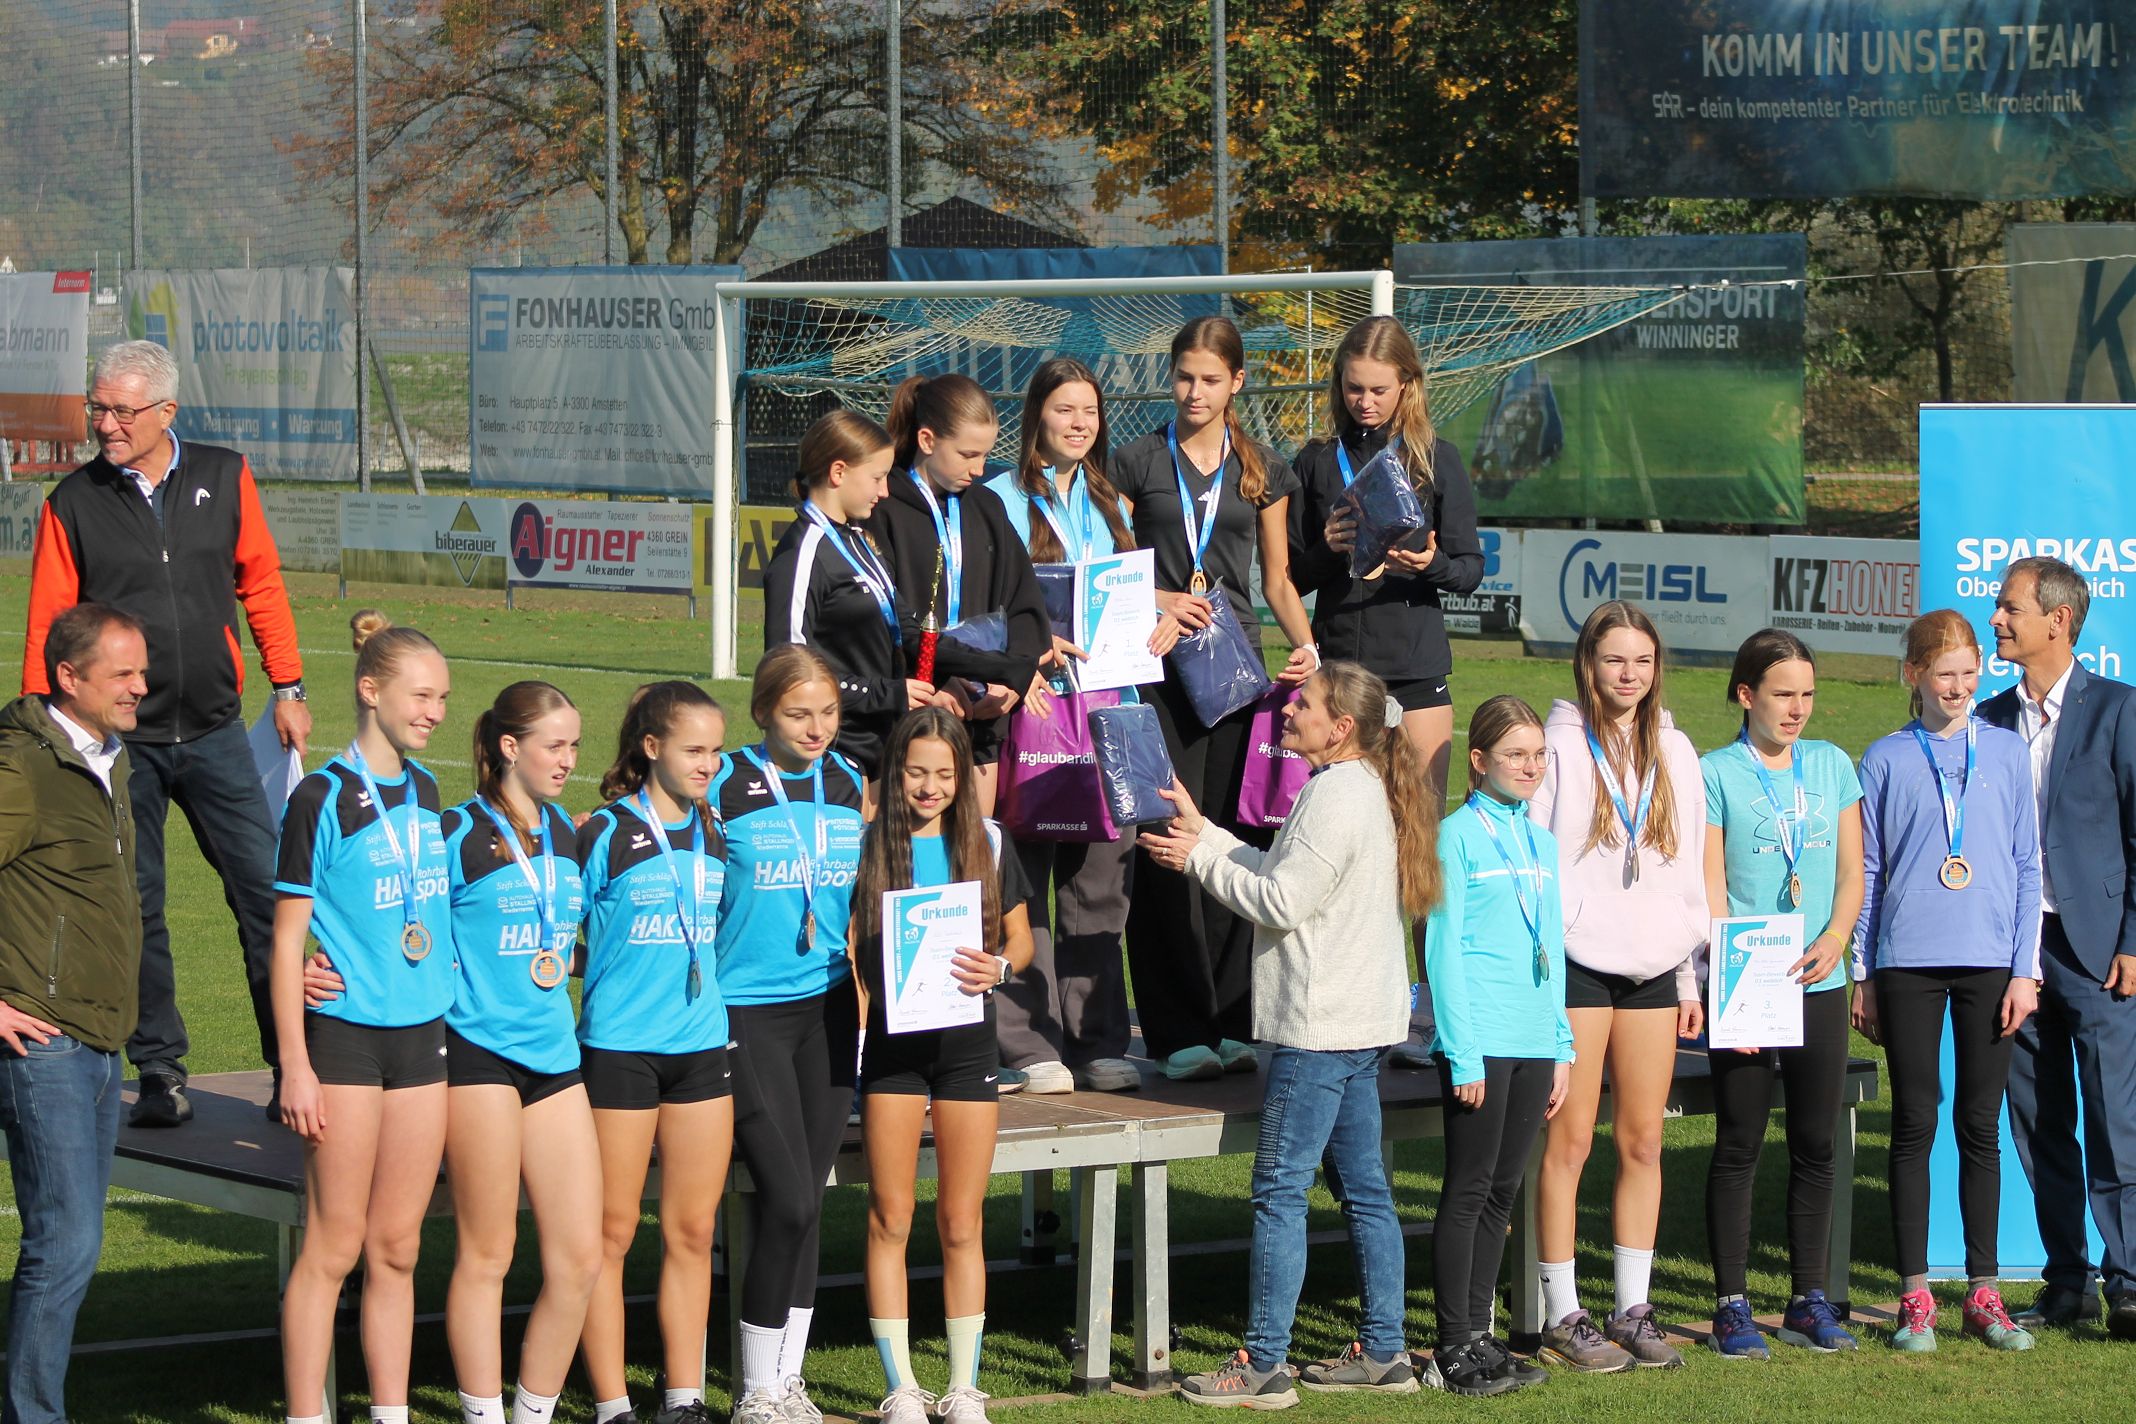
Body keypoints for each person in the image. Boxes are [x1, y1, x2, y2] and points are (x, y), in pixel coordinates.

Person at [23, 338, 311, 1127]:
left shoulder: (226, 474)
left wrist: (288, 685)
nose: (104, 424)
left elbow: (262, 582)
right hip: (121, 748)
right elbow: (49, 625)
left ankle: (294, 1065)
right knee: (136, 907)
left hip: (219, 733)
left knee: (269, 898)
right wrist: (44, 734)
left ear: (166, 411)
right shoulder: (72, 502)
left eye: (120, 410)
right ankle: (159, 1072)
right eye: (97, 408)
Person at [1137, 661, 1439, 1408]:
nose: (1288, 710)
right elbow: (1284, 871)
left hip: (1320, 1030)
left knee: (1279, 1190)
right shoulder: (1356, 785)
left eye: (1305, 704)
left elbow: (1278, 901)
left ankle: (1263, 1365)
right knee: (1365, 1192)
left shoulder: (1335, 795)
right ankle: (1385, 1351)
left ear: (1341, 728)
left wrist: (1197, 861)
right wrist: (1207, 832)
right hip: (1357, 1026)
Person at [1110, 314, 1317, 1081]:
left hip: (1236, 675)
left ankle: (1235, 1019)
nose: (1194, 392)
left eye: (1209, 379)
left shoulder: (1262, 468)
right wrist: (1161, 598)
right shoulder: (1135, 462)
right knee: (1166, 836)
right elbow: (1109, 572)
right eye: (1183, 377)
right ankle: (1174, 1030)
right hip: (1157, 671)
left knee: (1232, 837)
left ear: (1237, 382)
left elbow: (1277, 580)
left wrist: (1307, 646)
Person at [1288, 316, 1484, 1072]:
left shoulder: (1438, 461)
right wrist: (1327, 549)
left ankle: (1430, 1012)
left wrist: (1431, 563)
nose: (1364, 402)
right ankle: (1348, 1004)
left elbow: (1469, 569)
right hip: (1340, 679)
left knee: (1418, 848)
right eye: (1352, 389)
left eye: (1378, 389)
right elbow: (1291, 575)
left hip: (1416, 673)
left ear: (1407, 386)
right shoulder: (1316, 462)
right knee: (1340, 845)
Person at [272, 612, 454, 1424]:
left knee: (398, 1247)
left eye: (442, 698)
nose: (434, 712)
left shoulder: (428, 789)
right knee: (334, 1245)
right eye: (421, 696)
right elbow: (286, 942)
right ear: (370, 690)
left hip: (423, 1041)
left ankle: (390, 1412)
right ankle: (307, 1416)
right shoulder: (320, 797)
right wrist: (295, 1066)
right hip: (345, 1042)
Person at [1526, 601, 1706, 1371]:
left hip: (1655, 969)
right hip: (1576, 966)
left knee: (1643, 1140)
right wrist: (1539, 980)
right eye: (1614, 660)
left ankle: (1633, 1308)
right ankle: (1561, 1312)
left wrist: (1687, 973)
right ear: (1588, 664)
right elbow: (1536, 867)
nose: (1629, 675)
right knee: (1569, 1142)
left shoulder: (1678, 749)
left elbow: (1687, 869)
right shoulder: (1559, 748)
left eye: (1642, 660)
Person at [1854, 608, 2040, 1352]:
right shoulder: (1885, 758)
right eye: (1943, 674)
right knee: (1914, 1122)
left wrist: (2024, 970)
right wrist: (1863, 972)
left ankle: (1984, 1293)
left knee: (1979, 1125)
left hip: (1990, 963)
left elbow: (2027, 865)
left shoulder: (2006, 751)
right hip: (1908, 963)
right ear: (1914, 675)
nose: (1958, 687)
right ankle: (1915, 1296)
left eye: (1969, 673)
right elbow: (1868, 872)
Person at [855, 710, 1037, 1424]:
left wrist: (1000, 968)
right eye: (915, 772)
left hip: (967, 1052)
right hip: (894, 1056)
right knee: (891, 1216)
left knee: (962, 1220)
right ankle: (901, 1387)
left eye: (944, 773)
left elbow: (1020, 940)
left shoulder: (988, 841)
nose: (929, 787)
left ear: (963, 777)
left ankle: (964, 1387)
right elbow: (851, 952)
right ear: (893, 774)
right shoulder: (869, 845)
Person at [1980, 556, 2136, 1340]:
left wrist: (2134, 940)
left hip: (2099, 953)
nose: (1996, 619)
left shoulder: (2119, 709)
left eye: (2010, 608)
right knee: (2038, 1123)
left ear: (2058, 620)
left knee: (2116, 1121)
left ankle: (2129, 1281)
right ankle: (2065, 1283)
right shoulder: (1988, 719)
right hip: (2016, 954)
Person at [0, 603, 148, 1424]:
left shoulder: (110, 759)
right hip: (44, 1040)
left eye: (142, 670)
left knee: (74, 1248)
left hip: (101, 1039)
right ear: (68, 677)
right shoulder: (24, 767)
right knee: (65, 1245)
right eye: (123, 673)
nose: (140, 686)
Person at [713, 646, 868, 1424]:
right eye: (798, 713)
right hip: (747, 1013)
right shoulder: (723, 782)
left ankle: (788, 1381)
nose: (817, 728)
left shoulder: (847, 782)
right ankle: (754, 1390)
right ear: (762, 713)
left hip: (829, 1012)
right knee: (789, 1199)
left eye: (829, 713)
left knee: (811, 1197)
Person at [1701, 628, 1864, 1359]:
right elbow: (1711, 882)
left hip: (1819, 977)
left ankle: (1808, 1299)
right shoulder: (1716, 772)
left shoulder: (1831, 764)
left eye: (1807, 694)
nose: (1798, 709)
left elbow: (1854, 871)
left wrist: (1836, 937)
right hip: (1748, 980)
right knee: (1739, 1140)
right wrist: (1733, 974)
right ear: (1747, 695)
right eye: (1782, 695)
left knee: (1816, 1141)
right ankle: (1731, 1305)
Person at [577, 682, 735, 1424]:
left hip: (701, 1048)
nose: (709, 765)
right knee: (609, 1234)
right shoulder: (603, 833)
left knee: (693, 1231)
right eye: (694, 750)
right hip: (619, 1052)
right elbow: (554, 929)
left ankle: (684, 1398)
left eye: (717, 752)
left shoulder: (716, 832)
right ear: (651, 748)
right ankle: (613, 1405)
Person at [982, 358, 1141, 1095]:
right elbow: (978, 609)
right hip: (1035, 711)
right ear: (1035, 417)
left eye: (1090, 412)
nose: (1079, 424)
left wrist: (1155, 616)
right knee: (1025, 878)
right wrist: (1030, 646)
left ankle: (1097, 1040)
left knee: (1101, 883)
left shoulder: (1112, 501)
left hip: (1110, 711)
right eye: (1064, 410)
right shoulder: (998, 500)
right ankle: (1028, 1041)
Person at [1422, 694, 1571, 1396]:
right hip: (1480, 1038)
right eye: (1515, 755)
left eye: (1539, 754)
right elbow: (1443, 948)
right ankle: (1453, 1343)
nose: (1530, 767)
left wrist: (1562, 1044)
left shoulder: (1541, 842)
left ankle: (1481, 1335)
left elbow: (1553, 948)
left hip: (1534, 1039)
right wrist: (1462, 1050)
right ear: (1478, 760)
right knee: (1469, 1187)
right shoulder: (1455, 836)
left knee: (1504, 1190)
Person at [872, 373, 1051, 811]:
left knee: (972, 848)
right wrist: (941, 683)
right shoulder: (883, 507)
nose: (979, 469)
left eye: (986, 454)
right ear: (927, 440)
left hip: (981, 717)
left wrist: (1008, 683)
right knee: (903, 849)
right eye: (968, 454)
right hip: (913, 712)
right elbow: (888, 620)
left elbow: (1025, 604)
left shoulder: (986, 507)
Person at [765, 409, 957, 782]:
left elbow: (903, 628)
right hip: (833, 752)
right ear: (838, 472)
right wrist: (889, 693)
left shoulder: (857, 539)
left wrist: (991, 668)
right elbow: (788, 671)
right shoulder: (803, 552)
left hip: (879, 743)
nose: (884, 492)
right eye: (877, 478)